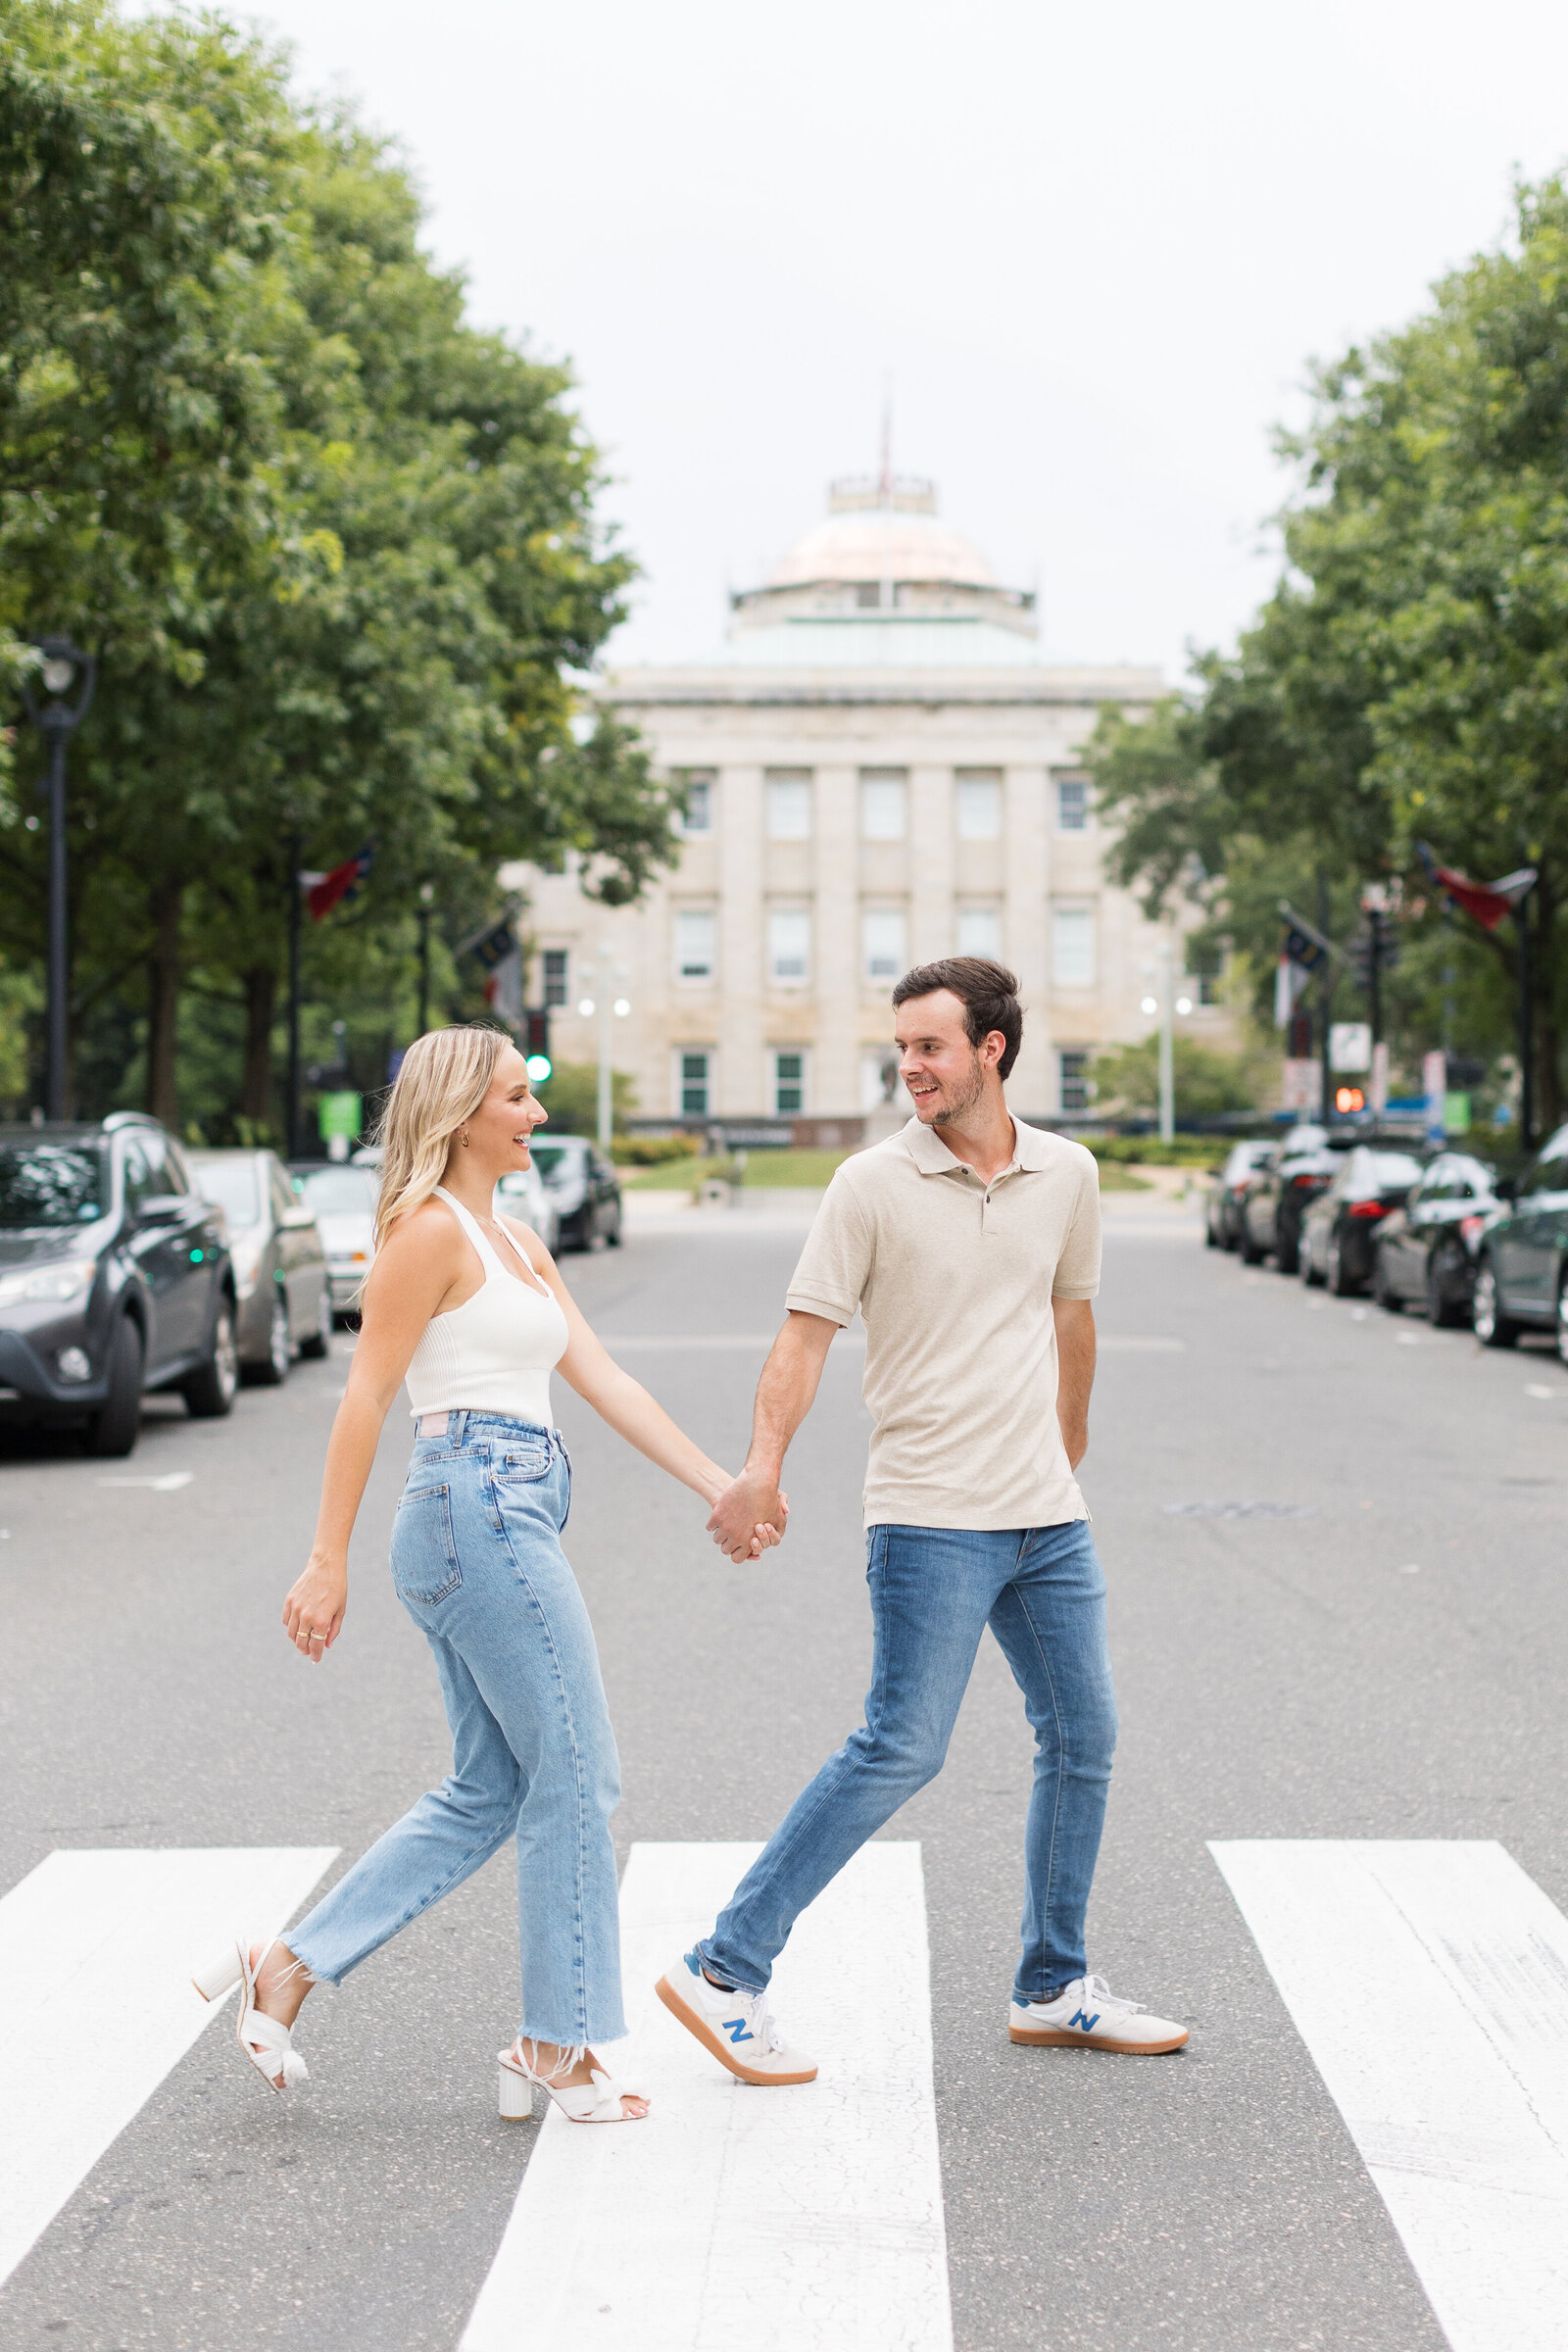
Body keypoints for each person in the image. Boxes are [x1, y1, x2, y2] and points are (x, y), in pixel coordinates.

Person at [193, 1024, 779, 2126]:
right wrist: (327, 1557)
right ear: (464, 1111)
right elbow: (365, 1396)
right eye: (519, 1098)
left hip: (509, 1505)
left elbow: (602, 1380)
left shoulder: (516, 1242)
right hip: (476, 1507)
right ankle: (556, 2046)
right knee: (579, 1776)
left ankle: (288, 1967)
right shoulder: (425, 1235)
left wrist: (722, 1483)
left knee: (490, 1789)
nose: (537, 1116)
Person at [656, 958, 1188, 2082]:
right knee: (899, 1745)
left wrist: (1068, 1442)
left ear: (992, 1049)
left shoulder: (1067, 1174)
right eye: (901, 1047)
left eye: (930, 1047)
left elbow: (1072, 1316)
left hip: (1047, 1518)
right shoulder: (869, 1184)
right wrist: (760, 1467)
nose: (910, 1067)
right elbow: (803, 1337)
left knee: (1083, 1737)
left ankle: (1053, 1985)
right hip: (930, 1516)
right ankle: (723, 1966)